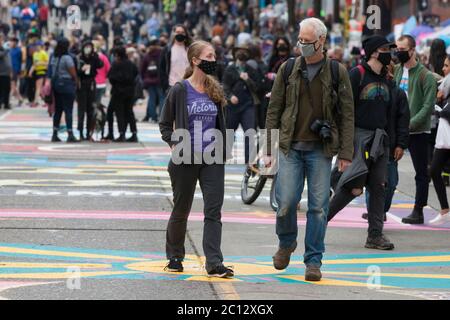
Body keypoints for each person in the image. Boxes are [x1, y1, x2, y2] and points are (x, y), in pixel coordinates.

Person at [265, 18, 354, 281]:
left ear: (322, 41)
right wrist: (268, 146)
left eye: (307, 41)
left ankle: (313, 261)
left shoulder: (338, 72)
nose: (302, 45)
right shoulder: (288, 68)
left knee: (318, 208)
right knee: (286, 203)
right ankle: (286, 242)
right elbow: (274, 109)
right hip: (290, 147)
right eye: (300, 40)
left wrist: (346, 153)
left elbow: (347, 115)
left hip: (320, 150)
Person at [159, 40, 233, 278]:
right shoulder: (180, 89)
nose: (213, 60)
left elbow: (221, 124)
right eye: (209, 56)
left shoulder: (215, 89)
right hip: (185, 159)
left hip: (212, 158)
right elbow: (164, 123)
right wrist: (174, 143)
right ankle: (174, 256)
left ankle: (214, 262)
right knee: (182, 208)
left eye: (214, 55)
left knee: (214, 210)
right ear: (195, 60)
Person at [328, 36, 409, 251]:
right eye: (385, 49)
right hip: (359, 138)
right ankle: (319, 223)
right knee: (352, 187)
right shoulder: (357, 74)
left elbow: (391, 114)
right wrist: (345, 143)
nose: (389, 53)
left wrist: (395, 143)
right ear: (373, 52)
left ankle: (375, 235)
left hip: (380, 141)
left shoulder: (387, 79)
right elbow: (343, 108)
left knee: (378, 187)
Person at [394, 35, 437, 224]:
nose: (398, 52)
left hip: (418, 131)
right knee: (386, 168)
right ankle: (381, 207)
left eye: (402, 49)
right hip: (398, 129)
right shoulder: (396, 71)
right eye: (397, 48)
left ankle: (418, 210)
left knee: (421, 172)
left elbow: (428, 107)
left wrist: (408, 124)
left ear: (412, 50)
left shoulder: (425, 75)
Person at [361, 60, 410, 222]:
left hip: (390, 144)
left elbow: (403, 122)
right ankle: (375, 212)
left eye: (388, 68)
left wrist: (401, 145)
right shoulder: (371, 89)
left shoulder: (398, 94)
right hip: (370, 143)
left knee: (391, 182)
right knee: (372, 182)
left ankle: (381, 209)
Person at [223, 43, 260, 164]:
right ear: (235, 54)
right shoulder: (230, 69)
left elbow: (257, 87)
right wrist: (230, 97)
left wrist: (247, 79)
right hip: (232, 107)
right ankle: (224, 157)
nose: (242, 53)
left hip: (247, 106)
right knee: (229, 132)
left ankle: (250, 162)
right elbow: (225, 87)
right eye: (240, 51)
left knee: (250, 132)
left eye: (245, 51)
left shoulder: (251, 70)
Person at [429, 55, 450, 225]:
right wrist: (439, 100)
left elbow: (446, 112)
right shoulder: (444, 87)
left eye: (447, 66)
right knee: (434, 170)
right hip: (444, 139)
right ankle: (444, 210)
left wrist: (439, 107)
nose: (443, 69)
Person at [47, 37, 79, 143]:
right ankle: (70, 134)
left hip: (56, 85)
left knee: (58, 110)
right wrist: (76, 82)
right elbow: (73, 73)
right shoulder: (67, 58)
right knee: (68, 110)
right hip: (66, 85)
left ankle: (55, 134)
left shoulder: (54, 57)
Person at [107, 46, 139, 142]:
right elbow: (136, 74)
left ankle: (121, 134)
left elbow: (111, 77)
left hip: (118, 92)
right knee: (129, 112)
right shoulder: (131, 64)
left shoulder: (116, 64)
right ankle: (134, 133)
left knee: (119, 113)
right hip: (130, 91)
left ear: (117, 55)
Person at [77, 41, 104, 140]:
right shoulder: (79, 58)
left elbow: (100, 65)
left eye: (90, 47)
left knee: (90, 110)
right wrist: (81, 70)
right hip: (82, 85)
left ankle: (89, 132)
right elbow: (76, 72)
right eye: (86, 47)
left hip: (92, 84)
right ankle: (80, 132)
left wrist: (95, 56)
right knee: (81, 110)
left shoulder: (94, 58)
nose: (88, 49)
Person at [159, 24, 192, 93]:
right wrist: (165, 85)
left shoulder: (190, 49)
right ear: (173, 34)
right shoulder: (167, 50)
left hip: (189, 85)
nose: (180, 34)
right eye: (177, 32)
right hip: (172, 86)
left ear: (186, 34)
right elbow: (161, 68)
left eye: (182, 32)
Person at [141, 37, 164, 123]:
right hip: (160, 80)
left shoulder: (147, 55)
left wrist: (145, 79)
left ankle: (153, 117)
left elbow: (142, 69)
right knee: (162, 98)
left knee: (151, 99)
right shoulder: (162, 54)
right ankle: (161, 117)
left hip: (149, 81)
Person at [30, 41, 49, 108]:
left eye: (38, 46)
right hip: (36, 72)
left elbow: (47, 63)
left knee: (38, 87)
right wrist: (30, 71)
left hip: (42, 71)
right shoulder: (35, 54)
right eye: (36, 46)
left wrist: (40, 63)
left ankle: (36, 102)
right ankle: (46, 102)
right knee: (40, 89)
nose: (37, 47)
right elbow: (34, 64)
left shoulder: (44, 53)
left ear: (41, 46)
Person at [93, 40, 110, 107]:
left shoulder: (91, 57)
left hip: (93, 83)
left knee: (92, 101)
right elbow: (108, 69)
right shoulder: (104, 57)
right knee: (98, 100)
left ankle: (94, 115)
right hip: (102, 83)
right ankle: (97, 114)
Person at [9, 37, 23, 107]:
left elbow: (20, 61)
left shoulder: (18, 50)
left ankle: (8, 101)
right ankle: (20, 99)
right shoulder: (9, 50)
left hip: (15, 70)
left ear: (15, 43)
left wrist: (19, 71)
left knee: (13, 87)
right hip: (9, 70)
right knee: (13, 87)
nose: (10, 43)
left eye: (11, 42)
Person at [0, 35, 11, 110]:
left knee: (7, 89)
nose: (1, 41)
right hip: (1, 73)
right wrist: (6, 50)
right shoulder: (4, 50)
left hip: (6, 73)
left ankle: (6, 104)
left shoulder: (3, 48)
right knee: (1, 89)